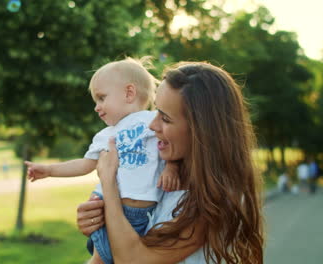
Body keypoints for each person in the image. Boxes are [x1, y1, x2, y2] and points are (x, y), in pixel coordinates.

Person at [77, 62, 265, 263]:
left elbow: (131, 260)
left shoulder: (216, 200)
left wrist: (108, 182)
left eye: (165, 118)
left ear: (200, 130)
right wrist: (101, 224)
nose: (152, 125)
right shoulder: (162, 178)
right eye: (156, 111)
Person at [25, 57, 180, 264]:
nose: (97, 107)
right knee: (98, 259)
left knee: (126, 257)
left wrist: (171, 168)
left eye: (101, 98)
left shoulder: (150, 121)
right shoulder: (105, 135)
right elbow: (85, 164)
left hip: (142, 213)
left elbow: (166, 147)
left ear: (129, 93)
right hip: (107, 207)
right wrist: (50, 170)